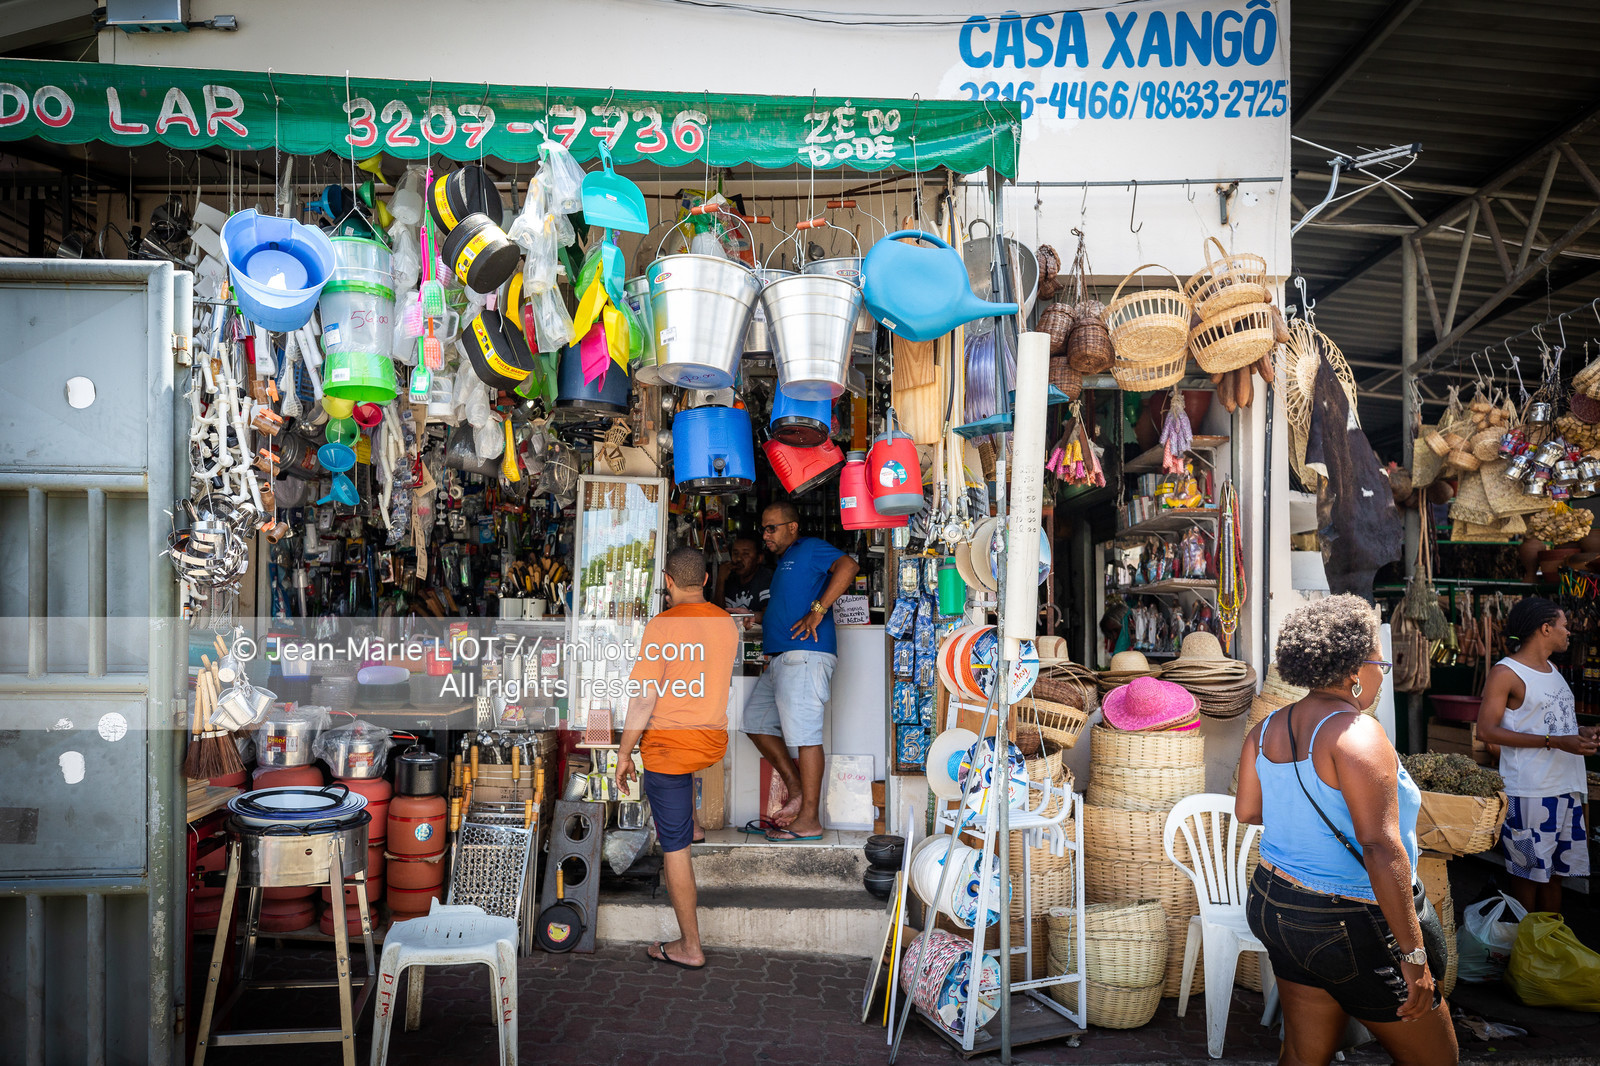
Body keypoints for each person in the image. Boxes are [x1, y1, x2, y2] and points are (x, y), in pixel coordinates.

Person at [1236, 595, 1457, 1066]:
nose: (1383, 672)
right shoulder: (1357, 732)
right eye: (1381, 661)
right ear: (1355, 668)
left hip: (1276, 903)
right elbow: (1380, 849)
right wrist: (1414, 958)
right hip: (1349, 917)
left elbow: (1248, 811)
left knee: (1303, 1055)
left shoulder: (1267, 728)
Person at [616, 546, 739, 970]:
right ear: (705, 580)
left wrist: (623, 753)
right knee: (683, 780)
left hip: (671, 747)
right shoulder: (727, 623)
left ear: (667, 581)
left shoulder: (662, 626)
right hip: (710, 743)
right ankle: (696, 825)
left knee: (675, 848)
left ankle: (690, 946)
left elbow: (642, 700)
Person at [743, 500, 859, 841]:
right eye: (763, 528)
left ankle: (809, 818)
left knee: (807, 739)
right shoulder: (785, 563)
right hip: (780, 659)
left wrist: (819, 610)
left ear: (793, 527)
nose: (765, 535)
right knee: (755, 723)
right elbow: (788, 604)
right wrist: (761, 619)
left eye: (771, 527)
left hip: (805, 656)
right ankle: (796, 790)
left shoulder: (808, 548)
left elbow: (849, 566)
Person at [1474, 597, 1597, 915]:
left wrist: (1578, 734)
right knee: (1527, 877)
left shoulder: (1553, 670)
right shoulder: (1506, 672)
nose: (1568, 632)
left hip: (1565, 789)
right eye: (1564, 625)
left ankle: (1548, 948)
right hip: (1530, 794)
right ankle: (1525, 954)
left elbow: (1551, 723)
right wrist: (1553, 741)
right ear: (1545, 629)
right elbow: (1486, 731)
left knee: (1555, 877)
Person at [716, 535, 771, 623]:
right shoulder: (730, 578)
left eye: (745, 554)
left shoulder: (766, 578)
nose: (738, 559)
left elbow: (770, 617)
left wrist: (748, 617)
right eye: (735, 553)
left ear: (759, 558)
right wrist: (720, 580)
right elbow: (718, 616)